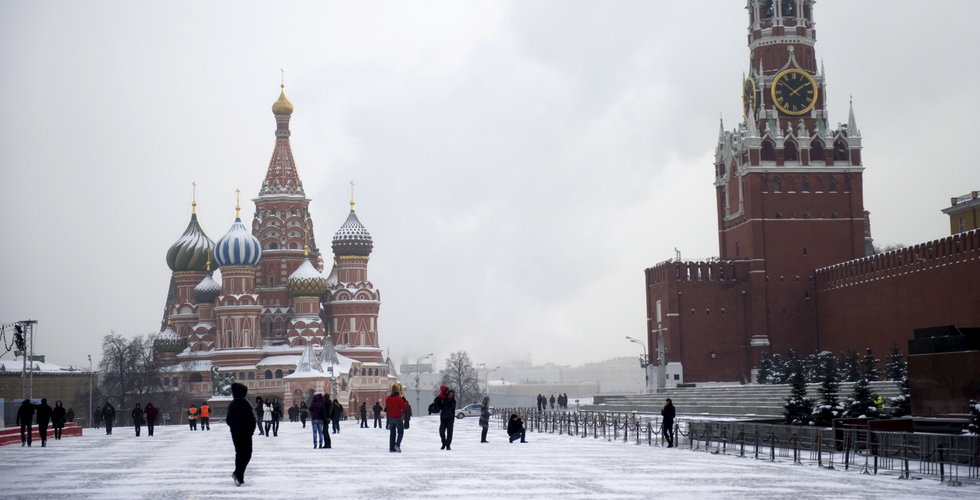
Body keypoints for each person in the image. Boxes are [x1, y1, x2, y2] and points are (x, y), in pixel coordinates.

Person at [226, 383, 256, 487]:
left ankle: (239, 475)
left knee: (239, 454)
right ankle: (238, 474)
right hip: (245, 433)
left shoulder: (232, 404)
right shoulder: (244, 403)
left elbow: (228, 420)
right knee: (247, 454)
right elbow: (251, 418)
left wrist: (234, 427)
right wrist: (250, 429)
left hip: (235, 433)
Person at [385, 385, 407, 452]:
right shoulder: (399, 399)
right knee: (400, 432)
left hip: (391, 417)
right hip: (398, 417)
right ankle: (397, 445)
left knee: (392, 433)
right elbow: (404, 407)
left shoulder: (388, 398)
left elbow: (387, 407)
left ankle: (391, 447)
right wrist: (404, 401)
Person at [434, 386, 457, 450]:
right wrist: (440, 397)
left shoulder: (453, 402)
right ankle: (444, 443)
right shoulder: (443, 400)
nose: (450, 396)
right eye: (449, 394)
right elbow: (437, 403)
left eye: (452, 395)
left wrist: (443, 401)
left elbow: (449, 407)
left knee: (449, 433)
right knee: (441, 432)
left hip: (450, 419)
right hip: (443, 419)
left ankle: (448, 445)